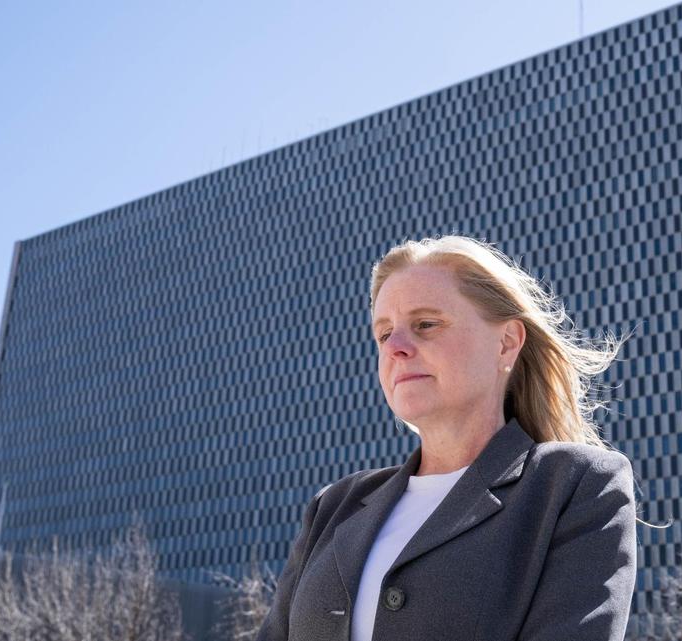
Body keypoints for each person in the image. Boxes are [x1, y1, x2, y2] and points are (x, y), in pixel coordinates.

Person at [255, 235, 639, 641]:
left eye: (426, 324)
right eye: (384, 334)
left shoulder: (575, 484)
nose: (397, 348)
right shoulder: (334, 506)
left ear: (506, 342)